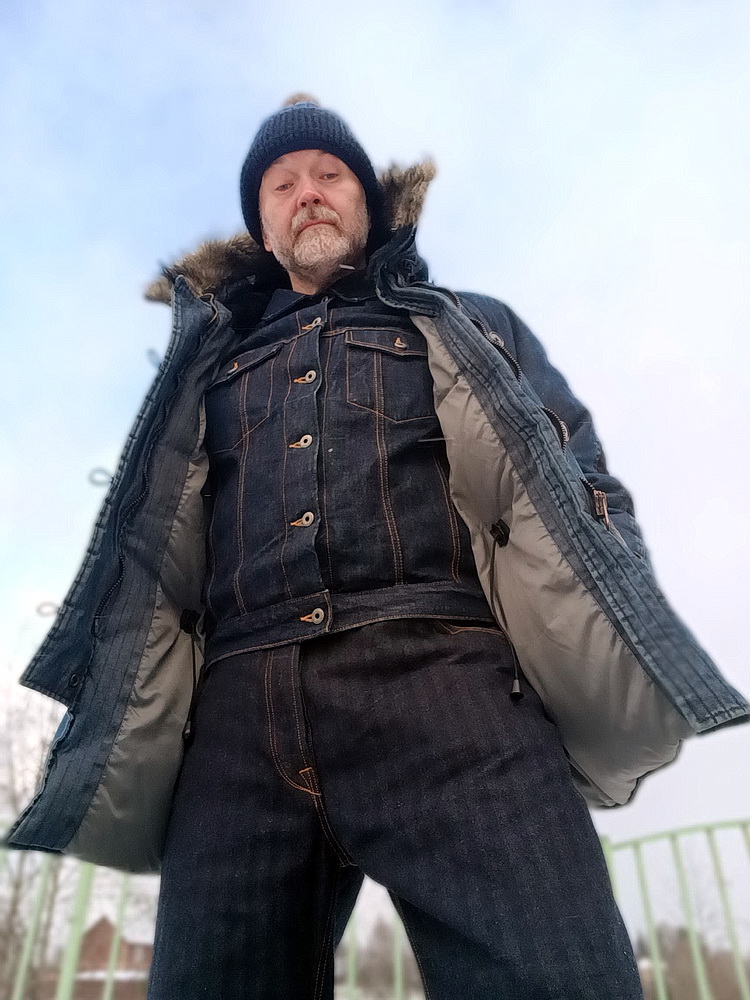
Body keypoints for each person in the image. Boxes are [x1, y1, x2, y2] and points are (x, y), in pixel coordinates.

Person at [6, 94, 748, 999]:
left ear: (368, 201)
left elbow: (580, 475)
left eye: (330, 175)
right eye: (283, 185)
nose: (308, 194)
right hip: (237, 716)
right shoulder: (205, 368)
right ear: (264, 228)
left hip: (449, 683)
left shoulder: (468, 324)